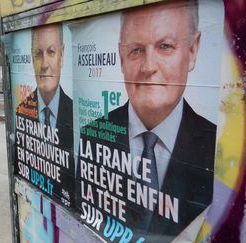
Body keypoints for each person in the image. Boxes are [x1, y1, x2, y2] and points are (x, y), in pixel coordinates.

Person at [78, 0, 215, 241]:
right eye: (136, 50)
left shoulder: (217, 148)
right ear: (121, 58)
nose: (148, 67)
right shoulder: (92, 133)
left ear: (192, 51)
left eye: (165, 46)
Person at [15, 23, 74, 206]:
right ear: (32, 59)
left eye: (51, 52)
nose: (45, 65)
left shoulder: (76, 116)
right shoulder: (21, 113)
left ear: (62, 56)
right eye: (38, 55)